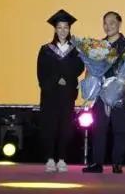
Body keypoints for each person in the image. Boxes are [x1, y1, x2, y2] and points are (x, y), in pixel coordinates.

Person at [82, 11, 125, 174]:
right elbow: (91, 67)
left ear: (119, 24)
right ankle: (97, 163)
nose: (108, 26)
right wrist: (89, 84)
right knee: (99, 127)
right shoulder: (99, 45)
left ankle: (117, 163)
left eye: (112, 22)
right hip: (101, 91)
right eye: (105, 23)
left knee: (119, 128)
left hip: (119, 90)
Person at [37, 9, 85, 173]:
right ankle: (50, 158)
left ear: (69, 29)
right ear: (55, 29)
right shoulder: (45, 50)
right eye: (59, 27)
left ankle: (62, 158)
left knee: (65, 126)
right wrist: (57, 78)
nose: (63, 31)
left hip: (67, 93)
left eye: (66, 27)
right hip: (50, 94)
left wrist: (66, 77)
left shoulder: (76, 50)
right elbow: (41, 72)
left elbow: (79, 68)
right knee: (49, 125)